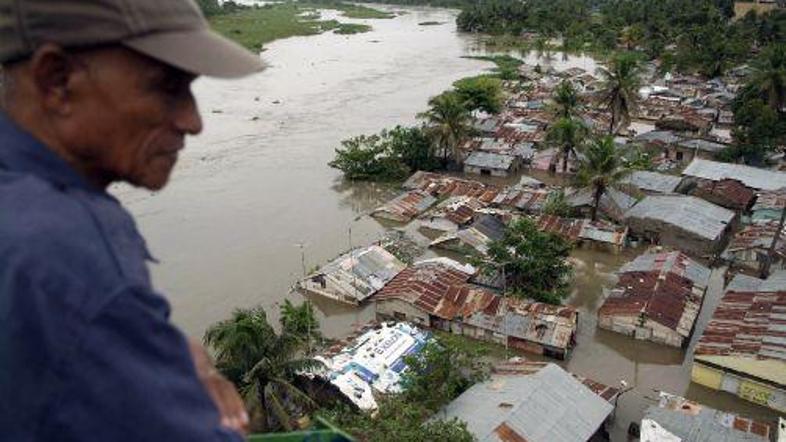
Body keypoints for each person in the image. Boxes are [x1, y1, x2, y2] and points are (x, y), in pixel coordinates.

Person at [0, 1, 264, 441]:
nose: (193, 122)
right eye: (167, 87)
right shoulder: (66, 251)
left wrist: (164, 357)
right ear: (57, 81)